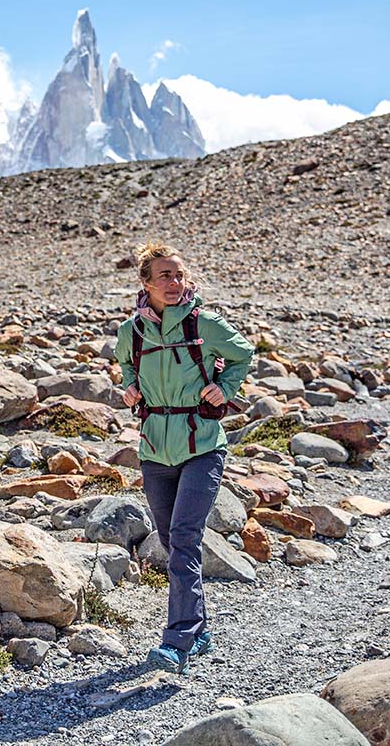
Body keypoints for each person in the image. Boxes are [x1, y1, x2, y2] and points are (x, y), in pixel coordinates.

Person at [115, 242, 254, 674]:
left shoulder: (204, 324)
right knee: (174, 543)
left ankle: (176, 640)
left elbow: (243, 354)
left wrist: (225, 389)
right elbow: (127, 368)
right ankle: (199, 630)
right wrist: (131, 388)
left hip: (203, 447)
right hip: (155, 449)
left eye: (178, 275)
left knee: (185, 539)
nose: (174, 284)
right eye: (164, 277)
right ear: (146, 284)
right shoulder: (131, 332)